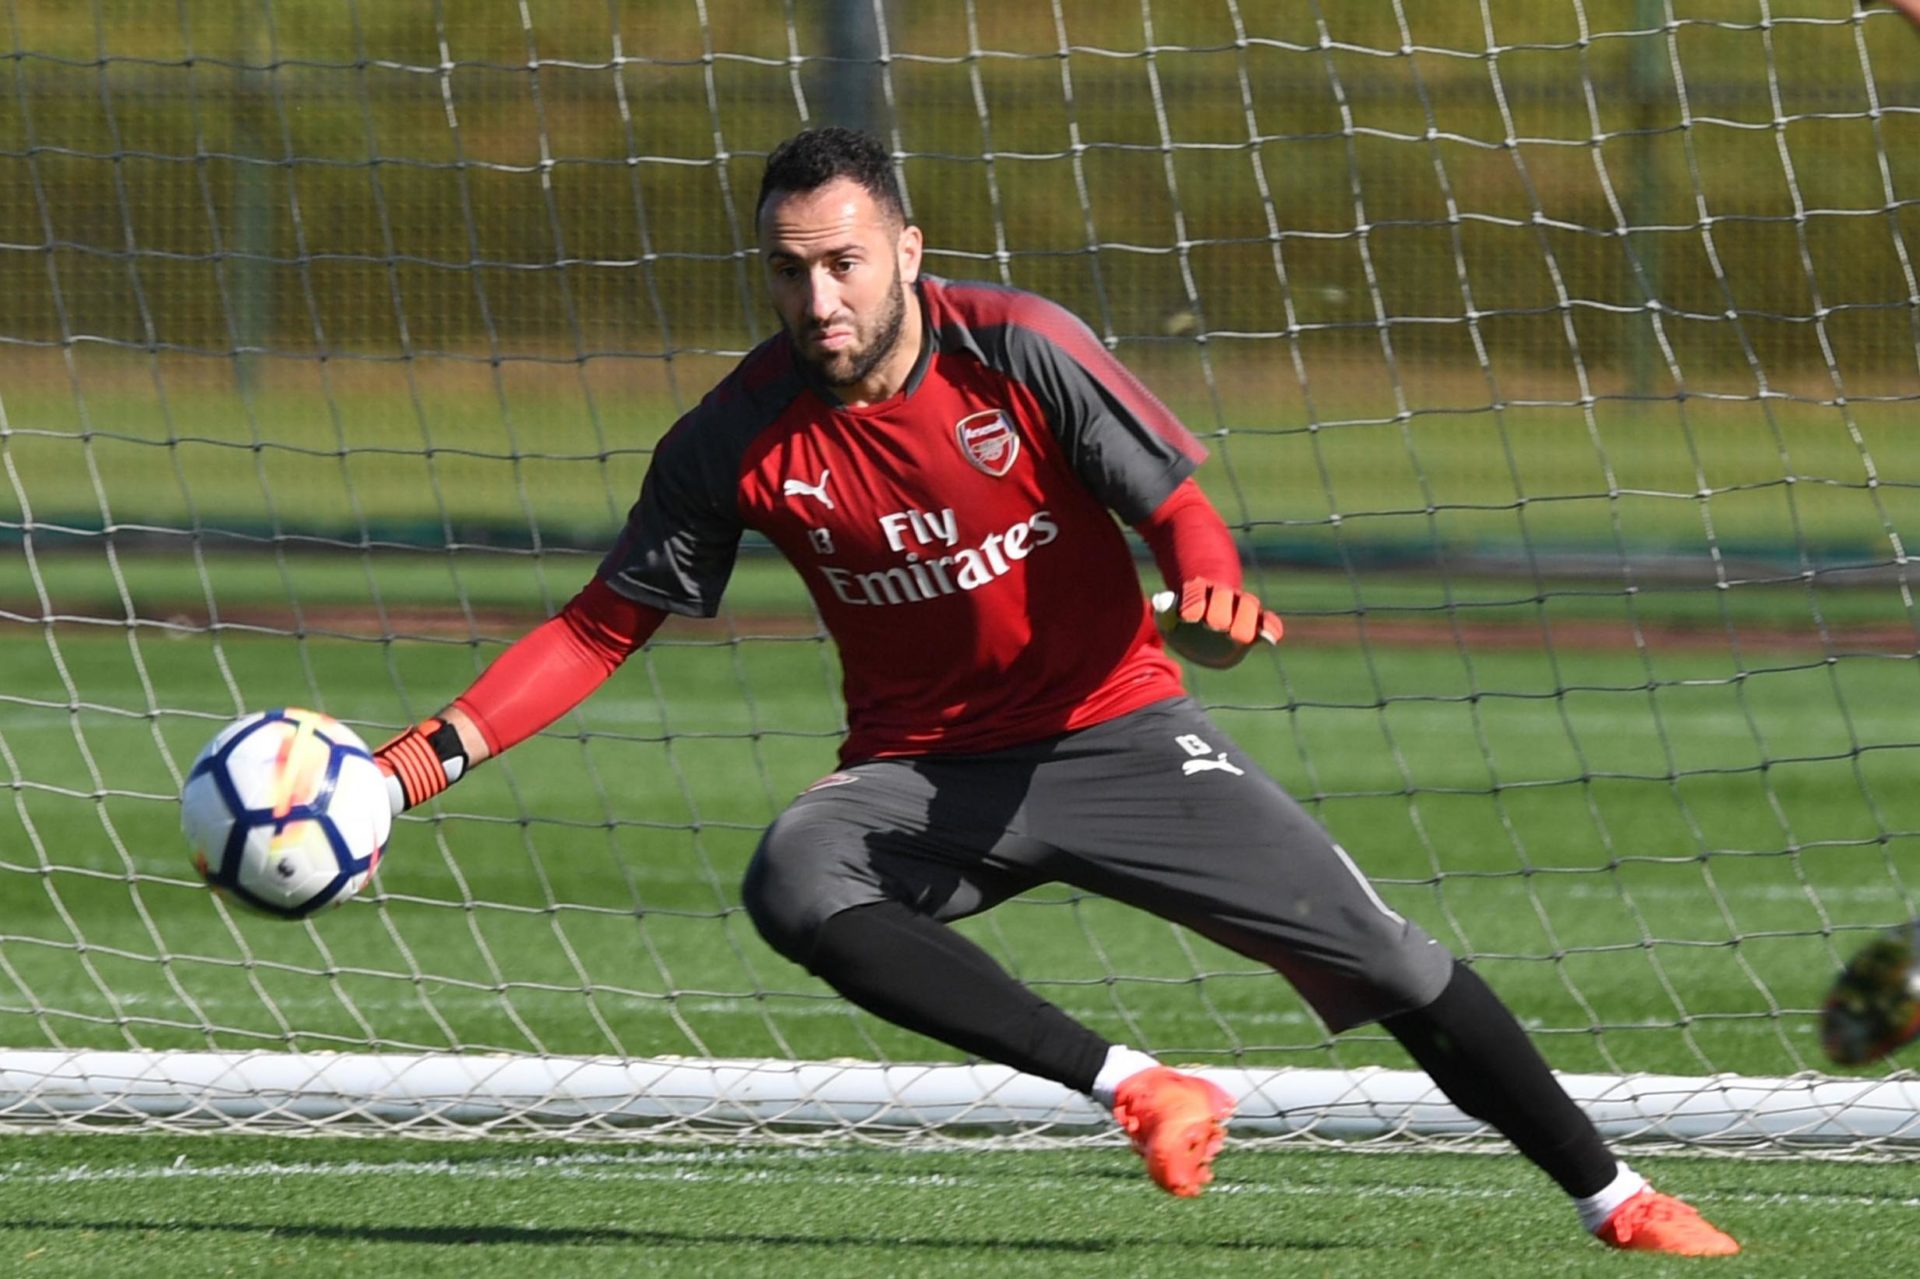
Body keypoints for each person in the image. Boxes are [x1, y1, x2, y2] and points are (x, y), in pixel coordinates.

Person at [373, 126, 1738, 1257]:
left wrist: (1209, 586)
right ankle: (1136, 1085)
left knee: (1388, 962)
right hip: (926, 776)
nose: (819, 301)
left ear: (907, 252)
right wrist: (402, 773)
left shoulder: (1022, 346)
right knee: (795, 876)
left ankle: (1616, 1198)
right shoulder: (732, 436)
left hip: (1122, 733)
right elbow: (599, 629)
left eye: (845, 263)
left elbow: (1180, 514)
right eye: (789, 272)